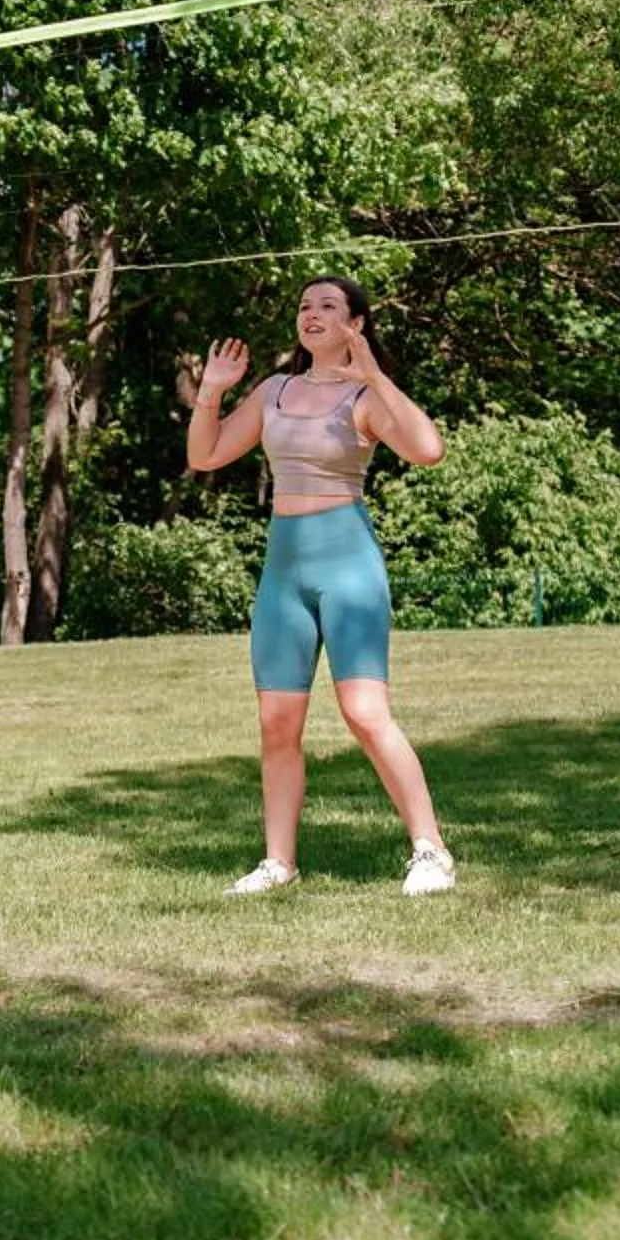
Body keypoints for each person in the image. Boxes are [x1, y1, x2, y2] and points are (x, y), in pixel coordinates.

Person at [186, 275, 456, 897]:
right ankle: (278, 863)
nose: (311, 314)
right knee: (277, 723)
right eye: (305, 305)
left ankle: (431, 851)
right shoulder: (275, 391)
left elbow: (428, 448)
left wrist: (374, 374)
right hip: (284, 571)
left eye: (328, 306)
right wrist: (211, 393)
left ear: (354, 324)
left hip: (348, 565)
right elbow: (208, 455)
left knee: (365, 713)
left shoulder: (364, 397)